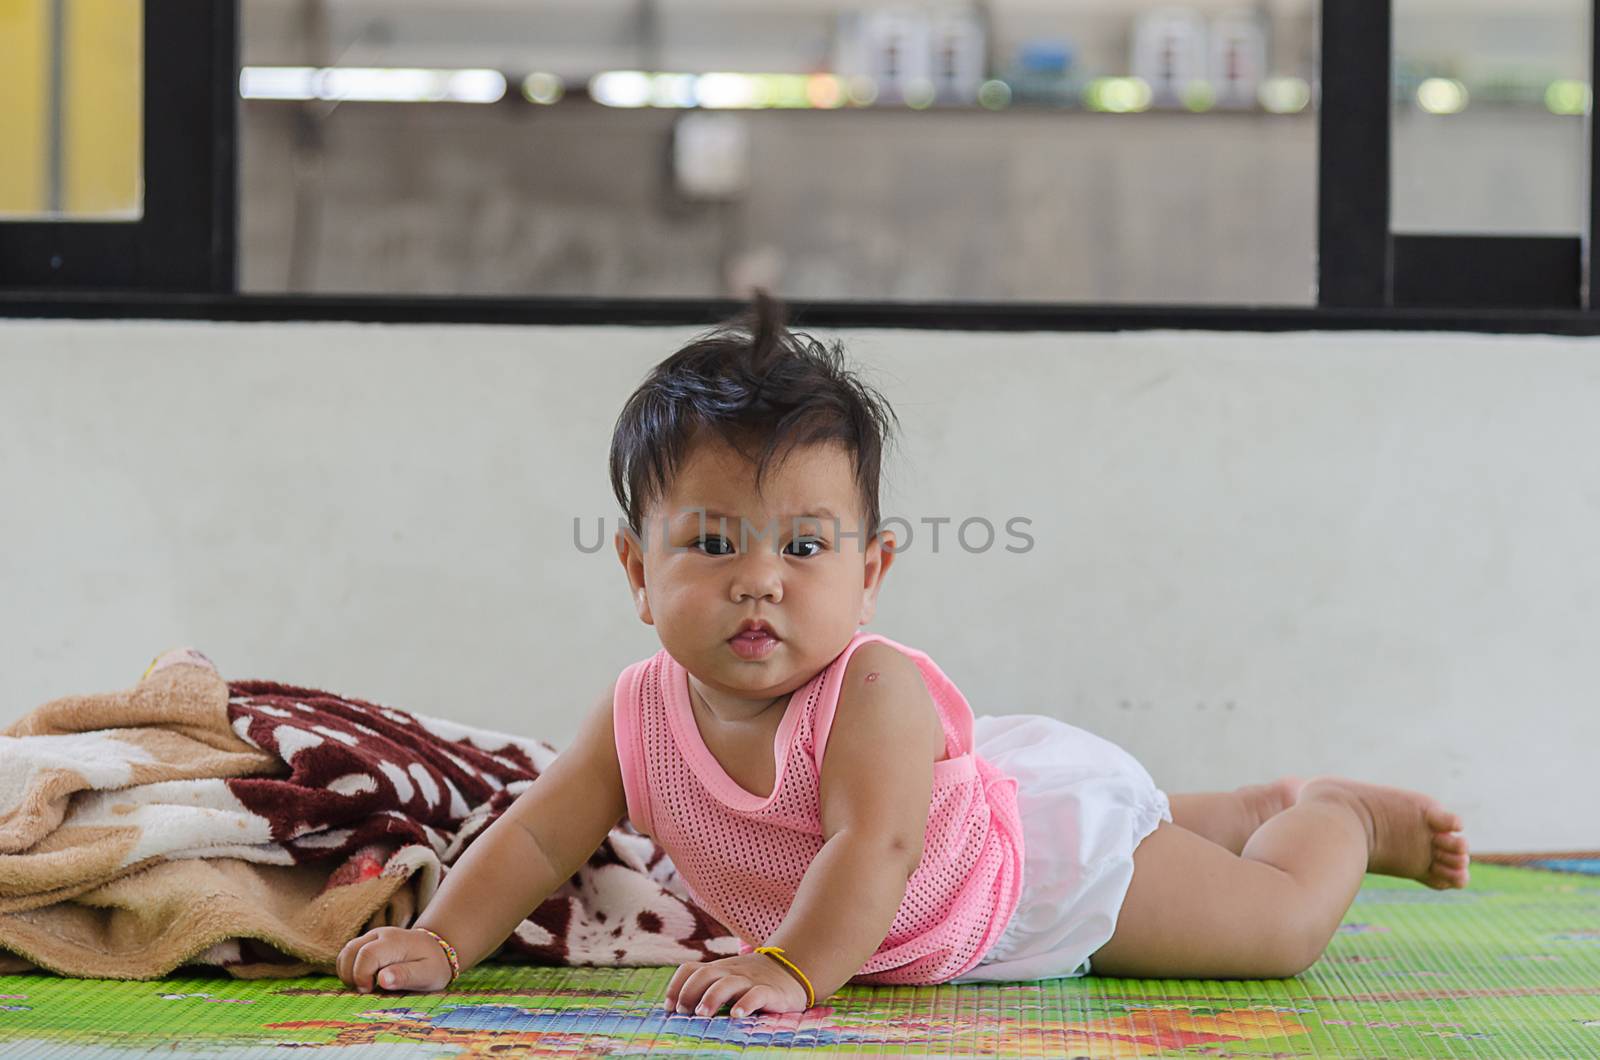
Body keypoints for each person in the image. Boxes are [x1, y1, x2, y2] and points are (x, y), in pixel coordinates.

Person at [336, 293, 1470, 1016]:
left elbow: (874, 842)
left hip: (1025, 882)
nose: (760, 578)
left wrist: (787, 966)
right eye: (714, 543)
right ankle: (1230, 806)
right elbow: (537, 833)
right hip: (976, 813)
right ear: (638, 573)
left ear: (870, 571)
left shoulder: (869, 687)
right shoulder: (637, 709)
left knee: (1268, 929)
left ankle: (1331, 817)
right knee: (1160, 815)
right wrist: (442, 939)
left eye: (804, 546)